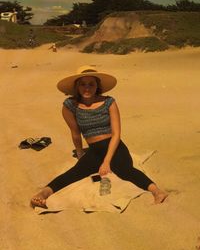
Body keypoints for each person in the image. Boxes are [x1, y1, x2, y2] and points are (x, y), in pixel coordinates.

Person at [31, 65, 168, 209]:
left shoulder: (109, 102)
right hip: (94, 150)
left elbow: (116, 134)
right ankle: (43, 194)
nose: (87, 88)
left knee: (125, 170)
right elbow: (75, 132)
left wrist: (107, 162)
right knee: (74, 172)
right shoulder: (70, 105)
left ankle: (157, 192)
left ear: (98, 86)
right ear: (76, 87)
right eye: (83, 84)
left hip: (114, 146)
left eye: (91, 84)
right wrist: (79, 153)